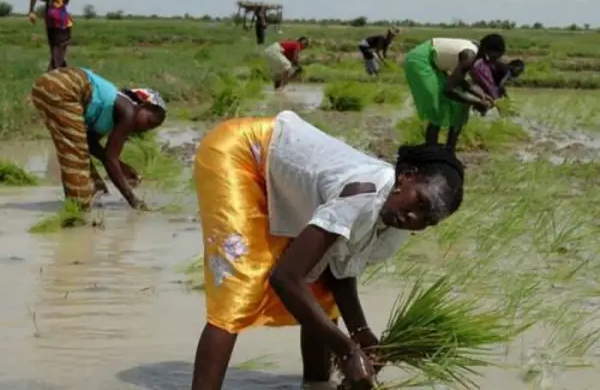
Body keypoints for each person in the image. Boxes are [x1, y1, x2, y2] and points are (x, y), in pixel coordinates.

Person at [191, 110, 465, 389]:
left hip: (285, 180)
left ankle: (316, 385)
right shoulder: (362, 194)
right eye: (420, 202)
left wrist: (360, 332)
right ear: (406, 177)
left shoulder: (395, 227)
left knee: (321, 292)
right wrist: (347, 351)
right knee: (242, 287)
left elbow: (338, 271)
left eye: (426, 220)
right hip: (243, 153)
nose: (414, 218)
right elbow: (285, 278)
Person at [31, 67, 167, 211]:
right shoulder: (128, 112)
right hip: (66, 85)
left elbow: (90, 144)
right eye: (149, 122)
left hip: (44, 85)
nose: (143, 129)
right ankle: (79, 205)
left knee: (75, 148)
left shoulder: (110, 115)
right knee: (76, 153)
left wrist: (120, 165)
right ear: (143, 105)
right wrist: (132, 199)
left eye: (149, 129)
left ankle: (88, 193)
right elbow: (110, 158)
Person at [403, 34, 506, 150]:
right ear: (487, 52)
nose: (493, 62)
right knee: (438, 104)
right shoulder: (469, 56)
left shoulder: (476, 54)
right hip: (420, 60)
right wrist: (477, 102)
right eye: (493, 58)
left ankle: (449, 151)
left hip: (437, 64)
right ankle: (431, 152)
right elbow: (449, 90)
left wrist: (482, 95)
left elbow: (461, 81)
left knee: (459, 106)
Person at [28, 0, 73, 71]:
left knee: (56, 55)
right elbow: (65, 2)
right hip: (61, 22)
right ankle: (53, 77)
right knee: (57, 56)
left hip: (51, 22)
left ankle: (58, 76)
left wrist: (31, 11)